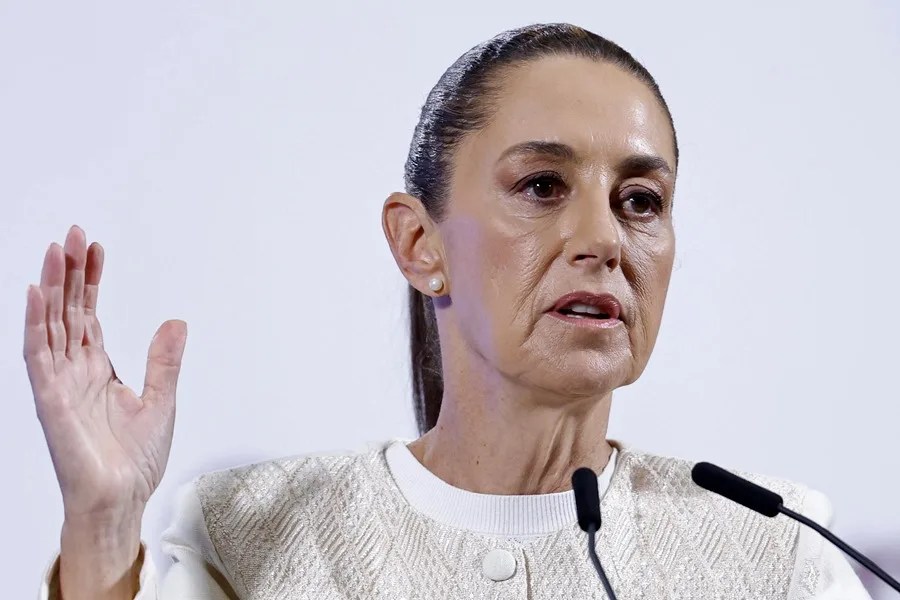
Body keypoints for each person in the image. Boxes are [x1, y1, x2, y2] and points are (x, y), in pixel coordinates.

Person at [27, 23, 871, 600]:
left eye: (641, 200)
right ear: (419, 244)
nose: (603, 238)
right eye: (543, 186)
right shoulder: (249, 538)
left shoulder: (776, 550)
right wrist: (101, 524)